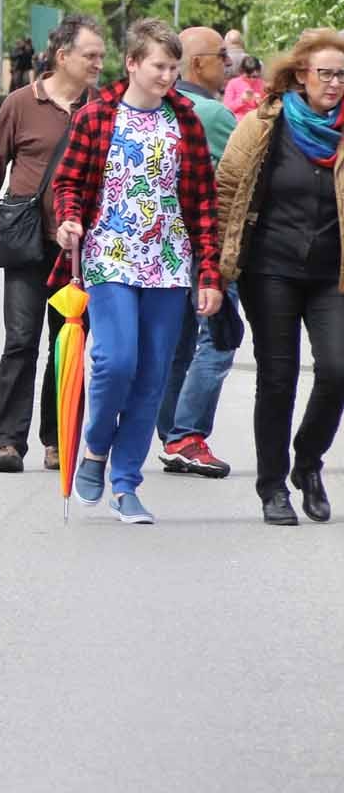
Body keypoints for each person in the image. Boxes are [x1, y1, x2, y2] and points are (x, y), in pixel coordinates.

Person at [53, 19, 222, 525]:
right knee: (114, 361)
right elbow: (68, 182)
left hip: (169, 266)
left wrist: (209, 274)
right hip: (109, 258)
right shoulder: (98, 116)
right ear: (132, 64)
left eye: (173, 67)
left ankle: (126, 485)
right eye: (158, 66)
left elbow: (203, 204)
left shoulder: (185, 122)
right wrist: (68, 218)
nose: (168, 76)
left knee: (151, 376)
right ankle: (95, 450)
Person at [0, 14, 105, 474]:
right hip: (26, 243)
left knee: (68, 343)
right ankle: (8, 441)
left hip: (79, 250)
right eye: (91, 56)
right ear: (63, 57)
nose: (100, 63)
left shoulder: (103, 108)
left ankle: (56, 438)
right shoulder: (21, 103)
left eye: (101, 56)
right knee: (21, 341)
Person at [215, 30, 344, 526]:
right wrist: (217, 269)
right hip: (270, 270)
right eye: (324, 73)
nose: (333, 83)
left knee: (337, 370)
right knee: (277, 379)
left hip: (331, 273)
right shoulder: (264, 125)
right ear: (300, 76)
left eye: (340, 75)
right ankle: (272, 485)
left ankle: (308, 462)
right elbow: (228, 188)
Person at [155, 26, 241, 479]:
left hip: (168, 246)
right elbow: (248, 173)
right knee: (220, 338)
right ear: (196, 64)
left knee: (179, 343)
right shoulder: (210, 113)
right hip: (209, 247)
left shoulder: (161, 108)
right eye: (221, 55)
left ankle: (171, 432)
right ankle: (187, 434)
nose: (229, 62)